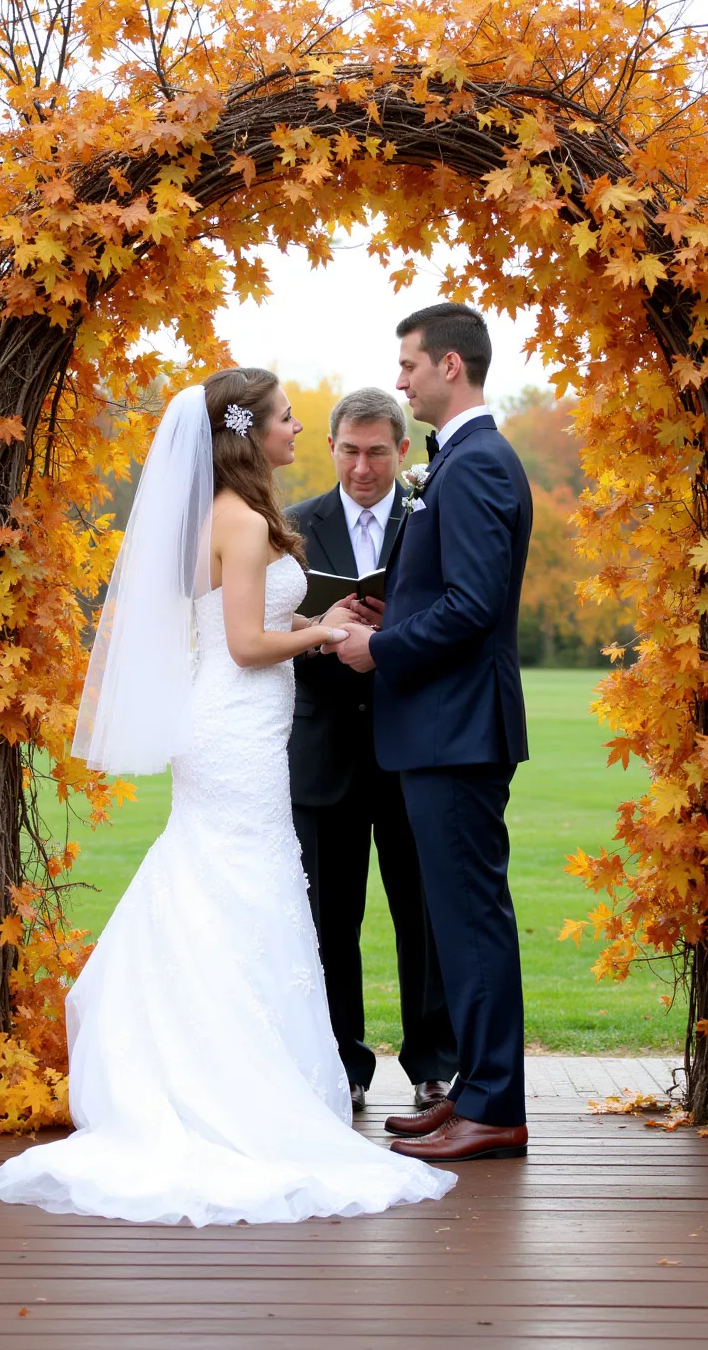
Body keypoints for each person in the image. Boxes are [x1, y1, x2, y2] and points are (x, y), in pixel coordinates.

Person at [0, 369, 455, 1224]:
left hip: (243, 730)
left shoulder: (232, 514)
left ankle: (217, 1063)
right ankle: (228, 1083)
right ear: (247, 431)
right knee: (240, 887)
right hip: (233, 729)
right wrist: (327, 631)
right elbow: (242, 644)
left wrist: (316, 618)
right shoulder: (237, 519)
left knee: (230, 886)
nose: (296, 431)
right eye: (284, 419)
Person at [334, 305, 532, 1165]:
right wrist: (396, 609)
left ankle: (493, 1108)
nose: (401, 377)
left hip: (457, 733)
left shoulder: (479, 463)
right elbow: (451, 594)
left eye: (409, 364)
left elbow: (477, 605)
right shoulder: (459, 464)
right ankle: (475, 1098)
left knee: (472, 923)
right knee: (459, 925)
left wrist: (380, 647)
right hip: (443, 732)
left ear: (450, 365)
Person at [287, 388, 457, 1113]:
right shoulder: (292, 528)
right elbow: (266, 641)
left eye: (378, 452)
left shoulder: (432, 519)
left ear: (403, 452)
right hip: (323, 752)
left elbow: (455, 617)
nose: (363, 467)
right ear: (331, 448)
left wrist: (393, 633)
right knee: (330, 921)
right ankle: (345, 1063)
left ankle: (433, 1064)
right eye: (350, 451)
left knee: (421, 914)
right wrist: (323, 629)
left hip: (410, 745)